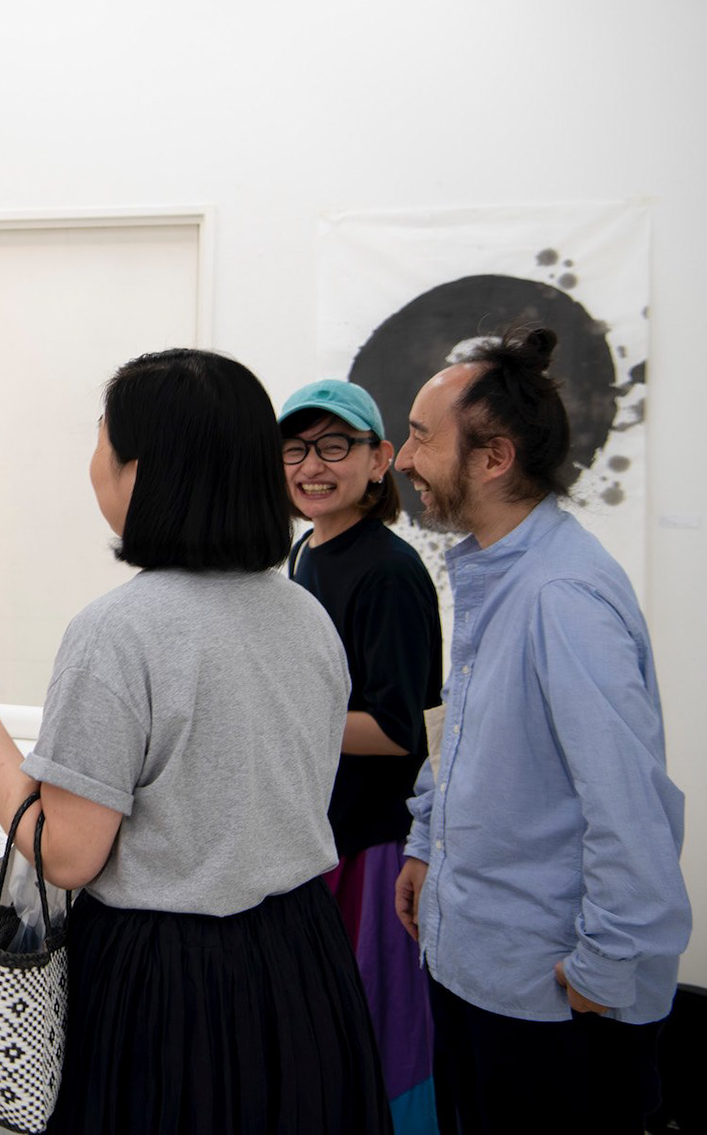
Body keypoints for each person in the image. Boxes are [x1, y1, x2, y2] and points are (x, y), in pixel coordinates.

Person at [0, 348, 391, 1134]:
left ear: (141, 472)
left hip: (171, 987)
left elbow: (65, 854)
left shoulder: (118, 631)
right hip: (303, 962)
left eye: (102, 440)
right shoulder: (304, 614)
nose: (93, 462)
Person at [391, 327, 690, 1135]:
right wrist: (426, 845)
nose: (403, 460)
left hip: (549, 1000)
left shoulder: (562, 595)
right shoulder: (498, 570)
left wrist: (605, 967)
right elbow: (467, 735)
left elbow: (631, 807)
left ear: (494, 458)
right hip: (474, 966)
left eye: (420, 437)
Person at [279, 378, 442, 1135]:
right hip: (319, 836)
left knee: (380, 1042)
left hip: (375, 847)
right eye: (295, 449)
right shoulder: (303, 552)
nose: (313, 465)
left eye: (335, 446)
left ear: (379, 460)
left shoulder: (389, 571)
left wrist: (275, 717)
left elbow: (399, 727)